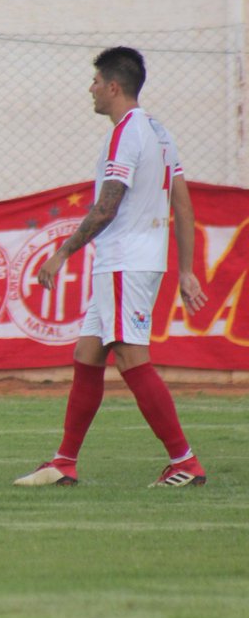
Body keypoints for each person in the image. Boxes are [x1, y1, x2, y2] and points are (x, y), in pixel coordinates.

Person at [14, 47, 208, 488]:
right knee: (87, 354)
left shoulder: (126, 134)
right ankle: (64, 463)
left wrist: (63, 252)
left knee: (131, 356)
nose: (92, 89)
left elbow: (107, 205)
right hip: (135, 262)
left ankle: (185, 461)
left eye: (96, 82)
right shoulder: (160, 132)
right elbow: (182, 203)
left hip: (125, 262)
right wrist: (185, 269)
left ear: (114, 86)